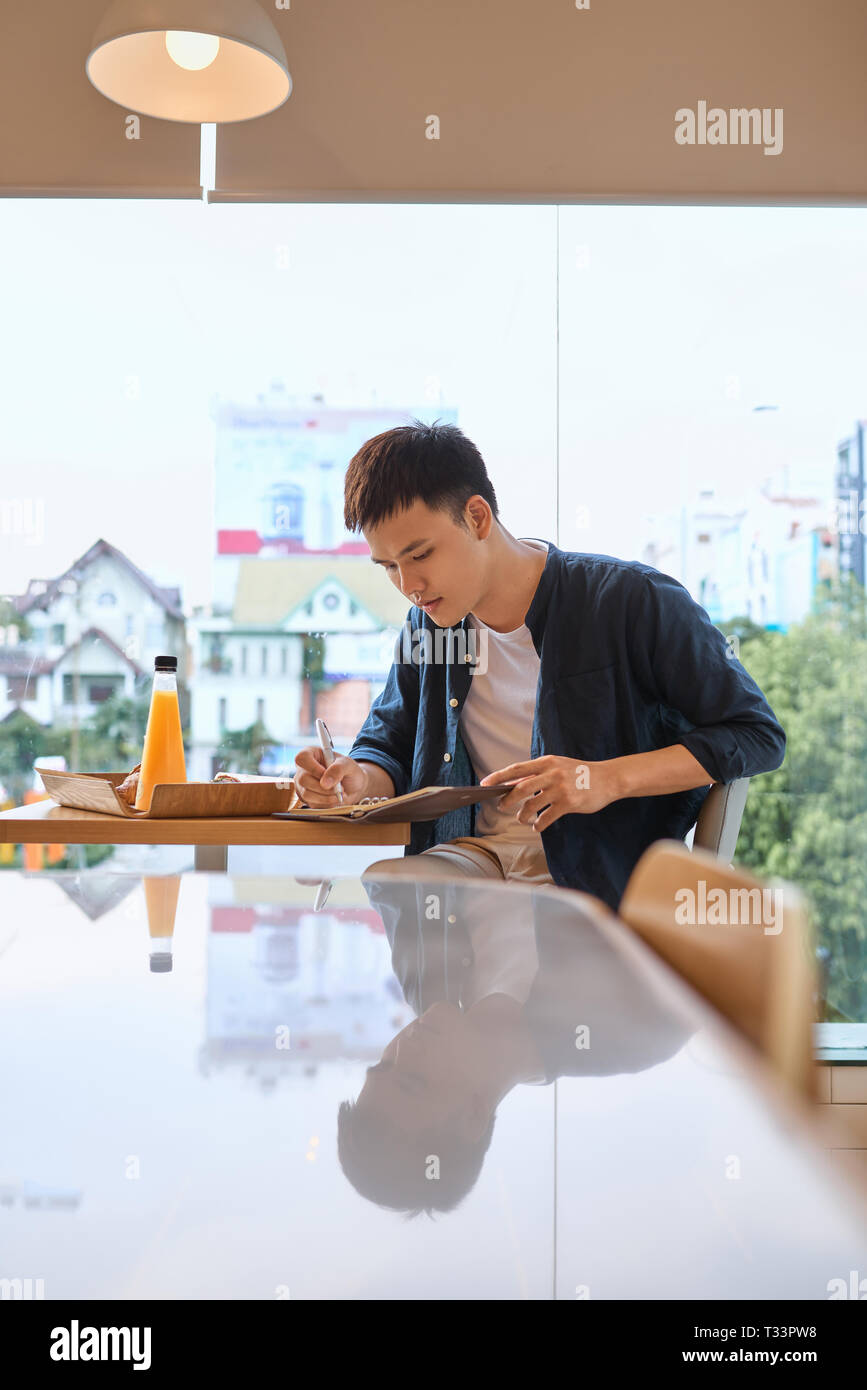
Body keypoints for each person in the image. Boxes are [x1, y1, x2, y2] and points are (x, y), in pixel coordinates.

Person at [292, 419, 786, 912]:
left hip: (598, 879)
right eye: (389, 567)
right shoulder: (427, 629)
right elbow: (389, 748)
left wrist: (602, 779)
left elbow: (756, 735)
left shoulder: (631, 602)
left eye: (419, 555)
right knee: (395, 883)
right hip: (471, 863)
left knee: (534, 939)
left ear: (478, 517)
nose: (409, 584)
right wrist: (354, 780)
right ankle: (446, 993)